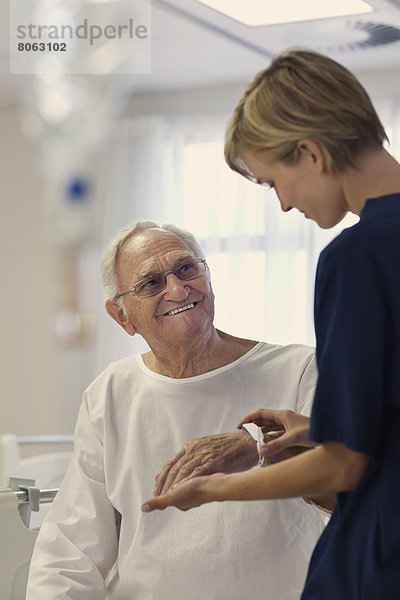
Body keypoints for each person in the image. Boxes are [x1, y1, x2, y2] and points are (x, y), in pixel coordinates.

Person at [142, 48, 400, 599]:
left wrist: (215, 490)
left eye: (272, 182)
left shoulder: (357, 258)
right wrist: (316, 428)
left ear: (309, 152)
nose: (283, 205)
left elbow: (345, 467)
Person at [26, 221, 328, 600]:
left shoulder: (299, 370)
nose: (177, 288)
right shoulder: (110, 393)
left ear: (207, 275)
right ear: (121, 316)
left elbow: (346, 489)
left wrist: (258, 445)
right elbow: (71, 549)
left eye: (186, 269)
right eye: (150, 283)